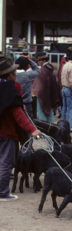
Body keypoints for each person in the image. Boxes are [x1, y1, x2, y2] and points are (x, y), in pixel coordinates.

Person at [0, 56, 40, 201]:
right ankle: (2, 193)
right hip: (6, 132)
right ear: (9, 75)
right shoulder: (9, 89)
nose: (16, 74)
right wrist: (32, 130)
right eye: (14, 72)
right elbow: (19, 114)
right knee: (6, 163)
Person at [32, 52, 59, 123]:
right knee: (50, 112)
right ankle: (51, 129)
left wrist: (36, 91)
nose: (38, 62)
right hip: (50, 93)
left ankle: (43, 128)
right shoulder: (51, 69)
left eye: (39, 60)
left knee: (40, 112)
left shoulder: (42, 70)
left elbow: (38, 84)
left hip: (41, 94)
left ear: (44, 60)